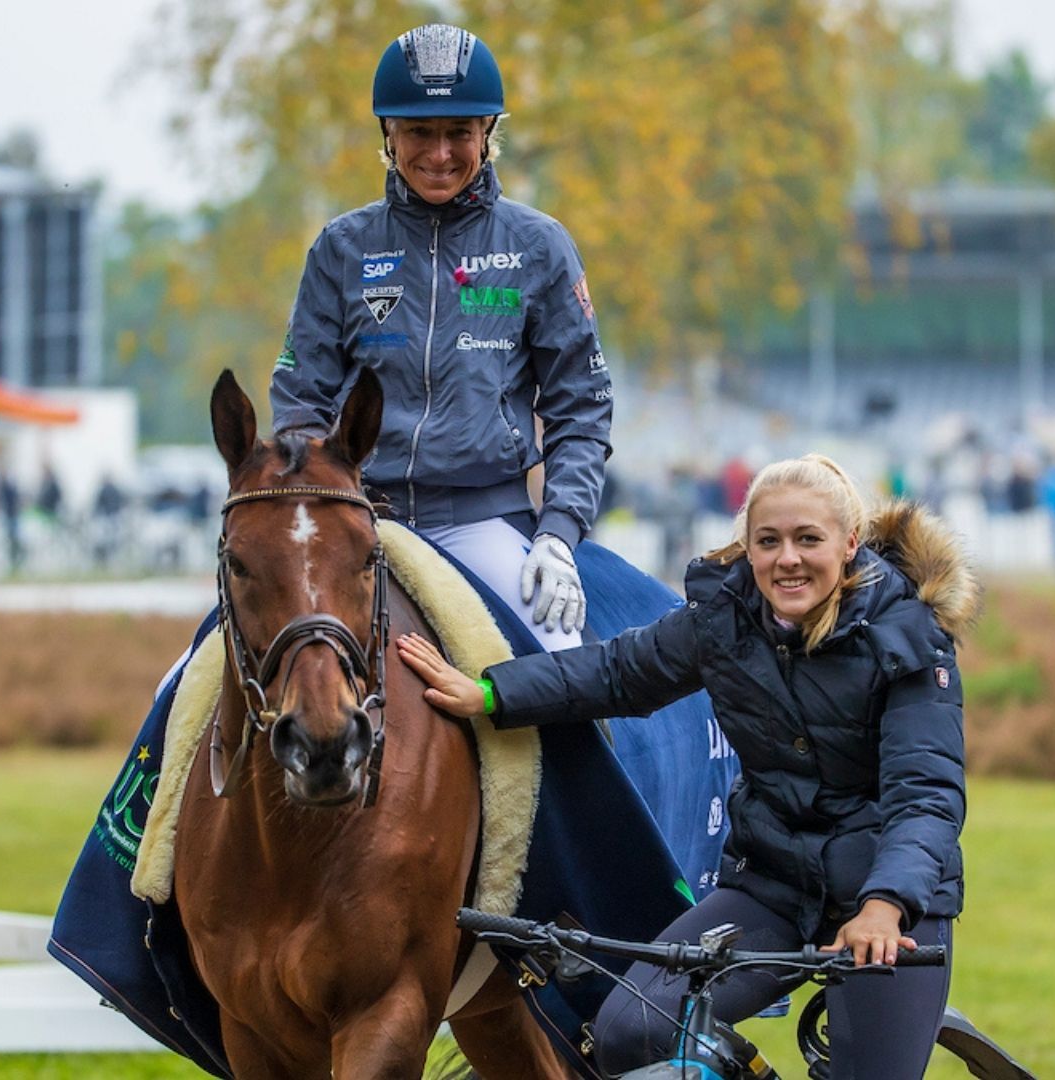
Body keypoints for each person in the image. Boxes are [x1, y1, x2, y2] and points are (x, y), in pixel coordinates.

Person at [398, 454, 975, 1078]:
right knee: (633, 1029)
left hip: (890, 902)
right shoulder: (722, 622)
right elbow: (616, 672)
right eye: (769, 541)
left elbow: (927, 795)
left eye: (809, 539)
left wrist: (885, 906)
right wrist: (489, 693)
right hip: (774, 888)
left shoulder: (912, 638)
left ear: (849, 544)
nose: (788, 559)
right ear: (746, 547)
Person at [269, 22, 612, 651]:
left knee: (565, 667)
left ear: (488, 133)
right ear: (388, 135)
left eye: (459, 131)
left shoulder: (539, 246)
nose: (440, 153)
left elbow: (581, 407)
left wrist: (559, 532)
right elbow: (301, 400)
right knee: (192, 673)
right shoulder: (341, 248)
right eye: (419, 132)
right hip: (357, 520)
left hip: (483, 525)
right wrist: (313, 505)